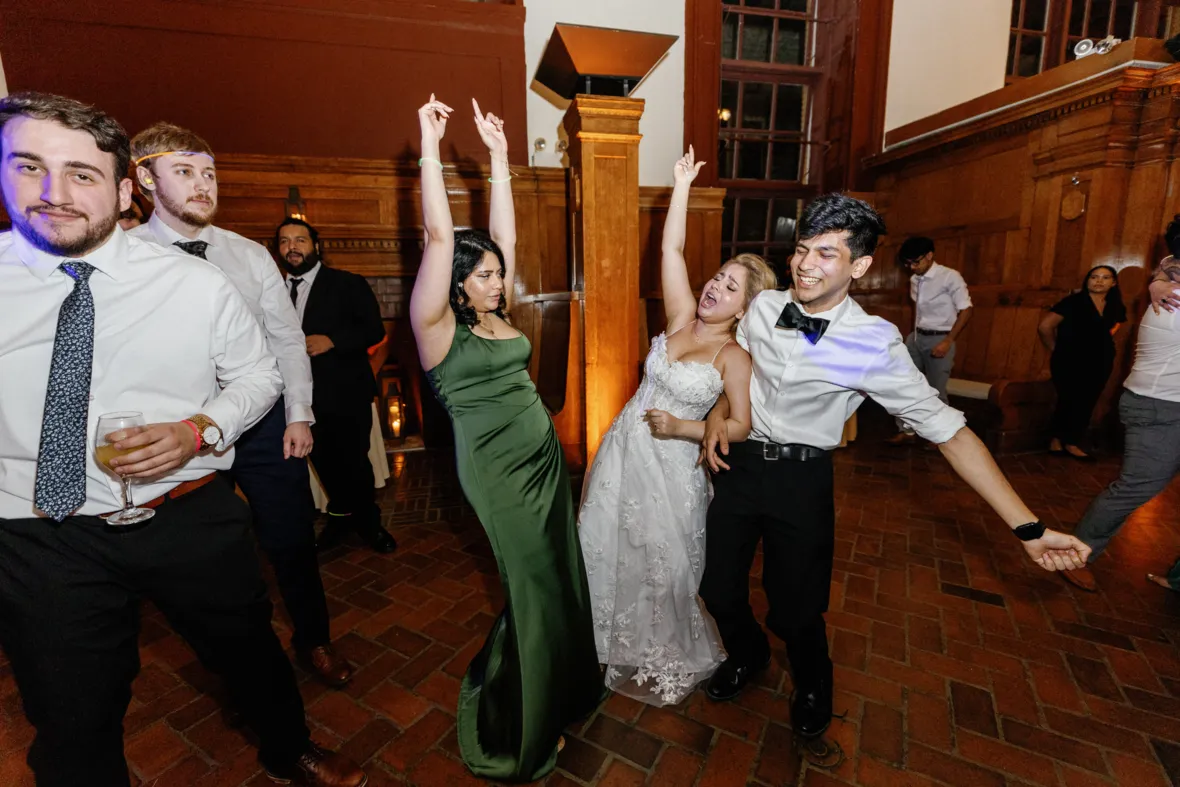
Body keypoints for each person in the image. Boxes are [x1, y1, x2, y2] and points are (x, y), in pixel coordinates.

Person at [0, 91, 365, 787]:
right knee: (71, 712)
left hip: (187, 507)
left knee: (248, 649)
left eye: (81, 174)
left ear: (118, 186)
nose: (54, 193)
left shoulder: (200, 283)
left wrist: (201, 427)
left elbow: (261, 368)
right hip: (40, 534)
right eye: (28, 167)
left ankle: (289, 746)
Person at [699, 193, 1090, 742]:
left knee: (796, 611)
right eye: (803, 249)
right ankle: (748, 655)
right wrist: (719, 412)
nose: (807, 264)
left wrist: (1028, 527)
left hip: (800, 480)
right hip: (738, 469)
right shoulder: (764, 308)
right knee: (717, 588)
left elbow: (951, 433)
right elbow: (735, 371)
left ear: (858, 266)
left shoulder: (873, 344)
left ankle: (813, 685)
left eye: (827, 254)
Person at [409, 94, 602, 781]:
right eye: (485, 273)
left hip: (543, 459)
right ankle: (521, 719)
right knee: (528, 585)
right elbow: (438, 238)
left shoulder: (497, 311)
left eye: (498, 271)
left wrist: (496, 157)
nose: (500, 278)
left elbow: (508, 239)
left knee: (558, 573)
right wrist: (431, 149)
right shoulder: (436, 328)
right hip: (495, 470)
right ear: (456, 282)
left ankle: (566, 684)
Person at [128, 122, 353, 687]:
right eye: (184, 172)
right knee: (212, 558)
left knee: (292, 540)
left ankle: (314, 639)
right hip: (177, 436)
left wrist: (299, 413)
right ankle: (243, 670)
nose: (203, 185)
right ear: (143, 179)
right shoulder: (124, 258)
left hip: (261, 425)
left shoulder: (250, 255)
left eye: (209, 174)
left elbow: (286, 340)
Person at [577, 147, 775, 706]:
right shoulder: (681, 317)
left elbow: (740, 426)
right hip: (622, 452)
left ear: (745, 307)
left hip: (672, 467)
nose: (714, 287)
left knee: (663, 565)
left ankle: (655, 644)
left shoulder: (734, 356)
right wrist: (682, 183)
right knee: (604, 543)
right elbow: (670, 247)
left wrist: (686, 428)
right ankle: (599, 638)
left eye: (730, 287)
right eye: (717, 277)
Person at [1063, 221, 1180, 593]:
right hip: (1160, 410)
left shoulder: (1169, 277)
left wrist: (1160, 275)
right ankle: (1075, 555)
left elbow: (1168, 261)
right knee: (1133, 489)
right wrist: (1160, 278)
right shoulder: (1174, 295)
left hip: (1163, 404)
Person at [275, 216, 397, 555]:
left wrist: (332, 340)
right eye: (284, 241)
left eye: (300, 240)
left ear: (316, 246)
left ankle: (370, 525)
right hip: (297, 398)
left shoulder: (347, 283)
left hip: (345, 392)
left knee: (354, 463)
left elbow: (374, 330)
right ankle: (341, 519)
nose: (292, 247)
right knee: (323, 463)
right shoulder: (271, 291)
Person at [887, 236, 973, 446]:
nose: (912, 267)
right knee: (903, 385)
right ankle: (906, 431)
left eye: (916, 262)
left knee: (936, 391)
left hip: (941, 338)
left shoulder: (949, 277)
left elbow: (966, 309)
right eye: (908, 264)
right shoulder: (914, 280)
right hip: (916, 338)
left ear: (929, 256)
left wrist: (948, 341)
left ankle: (939, 437)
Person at [1038, 265, 1127, 460]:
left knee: (1087, 400)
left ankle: (1072, 441)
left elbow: (1116, 327)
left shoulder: (1115, 305)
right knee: (1067, 398)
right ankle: (1055, 440)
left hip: (1100, 360)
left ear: (1113, 283)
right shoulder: (1073, 302)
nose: (1099, 281)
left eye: (1105, 278)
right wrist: (1055, 348)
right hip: (1069, 359)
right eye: (1094, 277)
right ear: (1087, 280)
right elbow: (1045, 326)